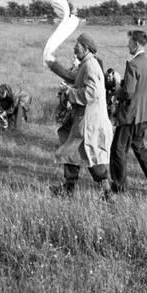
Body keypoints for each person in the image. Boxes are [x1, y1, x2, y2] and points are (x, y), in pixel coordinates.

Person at [47, 33, 113, 197]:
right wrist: (52, 64)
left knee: (90, 155)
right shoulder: (86, 63)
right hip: (84, 120)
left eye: (77, 45)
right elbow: (72, 76)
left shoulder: (90, 65)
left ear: (85, 47)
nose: (74, 48)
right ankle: (69, 190)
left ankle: (106, 191)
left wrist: (69, 92)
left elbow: (91, 93)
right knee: (73, 152)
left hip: (89, 121)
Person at [110, 30, 147, 193]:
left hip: (130, 115)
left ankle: (119, 186)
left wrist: (118, 84)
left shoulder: (133, 64)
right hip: (144, 113)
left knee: (118, 149)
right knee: (138, 146)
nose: (128, 44)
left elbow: (128, 92)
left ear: (136, 43)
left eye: (130, 42)